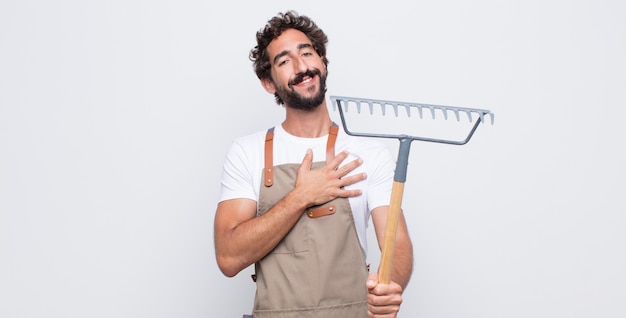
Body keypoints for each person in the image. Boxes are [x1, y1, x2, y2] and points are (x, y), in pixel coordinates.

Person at [214, 10, 413, 318]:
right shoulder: (248, 152)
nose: (301, 66)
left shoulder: (368, 153)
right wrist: (302, 196)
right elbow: (228, 257)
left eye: (307, 53)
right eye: (284, 61)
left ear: (322, 62)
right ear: (268, 83)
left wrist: (391, 286)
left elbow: (396, 241)